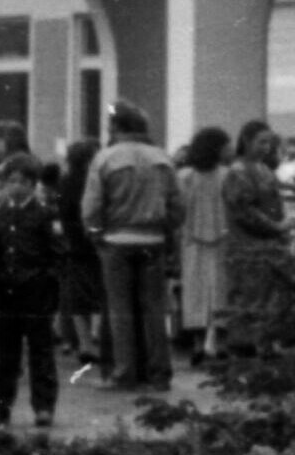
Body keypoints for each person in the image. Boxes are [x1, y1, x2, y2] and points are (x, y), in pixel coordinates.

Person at [82, 102, 178, 389]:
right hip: (153, 239)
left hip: (116, 240)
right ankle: (160, 372)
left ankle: (124, 372)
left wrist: (97, 234)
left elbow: (91, 208)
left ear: (115, 128)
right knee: (154, 308)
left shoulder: (105, 159)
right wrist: (165, 228)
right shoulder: (162, 158)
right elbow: (177, 204)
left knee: (120, 310)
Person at [0, 153, 65, 432]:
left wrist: (48, 284)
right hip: (8, 292)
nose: (17, 187)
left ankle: (43, 406)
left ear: (33, 185)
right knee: (6, 353)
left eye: (23, 182)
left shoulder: (44, 214)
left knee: (40, 350)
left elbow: (56, 255)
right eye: (12, 181)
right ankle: (0, 407)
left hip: (36, 292)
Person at [219, 120, 291, 356]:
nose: (266, 147)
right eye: (261, 141)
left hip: (268, 250)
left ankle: (264, 348)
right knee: (247, 303)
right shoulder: (238, 173)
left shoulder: (264, 169)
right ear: (246, 141)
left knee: (266, 302)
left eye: (269, 142)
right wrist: (277, 227)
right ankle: (243, 353)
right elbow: (245, 213)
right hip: (247, 250)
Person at [175, 124, 232, 361]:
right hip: (220, 239)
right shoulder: (226, 175)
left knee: (197, 291)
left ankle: (201, 343)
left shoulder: (185, 176)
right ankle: (215, 343)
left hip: (193, 242)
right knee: (219, 291)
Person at [53, 133, 105, 364]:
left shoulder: (65, 182)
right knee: (101, 293)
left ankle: (84, 342)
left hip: (74, 244)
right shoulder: (96, 181)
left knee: (77, 297)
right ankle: (96, 339)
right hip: (96, 242)